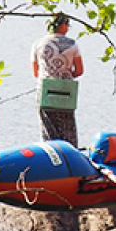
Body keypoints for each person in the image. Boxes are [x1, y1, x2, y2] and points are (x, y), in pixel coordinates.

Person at [30, 11, 84, 144]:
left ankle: (52, 158)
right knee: (68, 131)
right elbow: (79, 70)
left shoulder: (38, 44)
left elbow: (36, 73)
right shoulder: (73, 44)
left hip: (45, 92)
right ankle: (71, 157)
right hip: (66, 92)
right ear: (63, 25)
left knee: (48, 131)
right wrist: (65, 74)